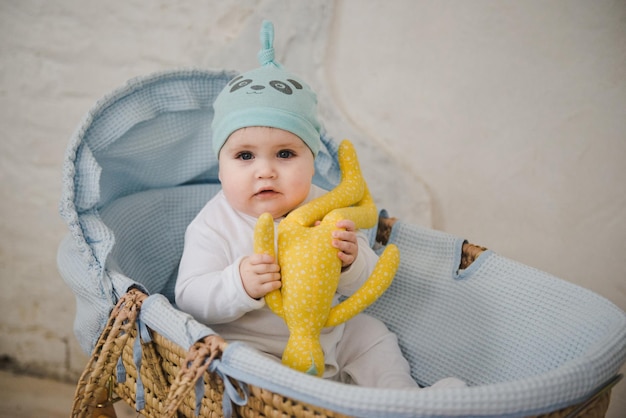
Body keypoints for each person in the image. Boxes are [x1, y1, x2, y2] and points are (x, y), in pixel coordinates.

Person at [175, 20, 464, 389]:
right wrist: (239, 283)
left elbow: (365, 280)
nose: (265, 171)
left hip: (330, 331)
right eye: (245, 156)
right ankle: (313, 401)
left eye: (284, 153)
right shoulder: (213, 224)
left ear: (312, 162)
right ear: (220, 168)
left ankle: (402, 400)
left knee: (372, 333)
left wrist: (351, 259)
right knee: (243, 366)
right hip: (253, 346)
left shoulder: (324, 207)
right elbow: (189, 297)